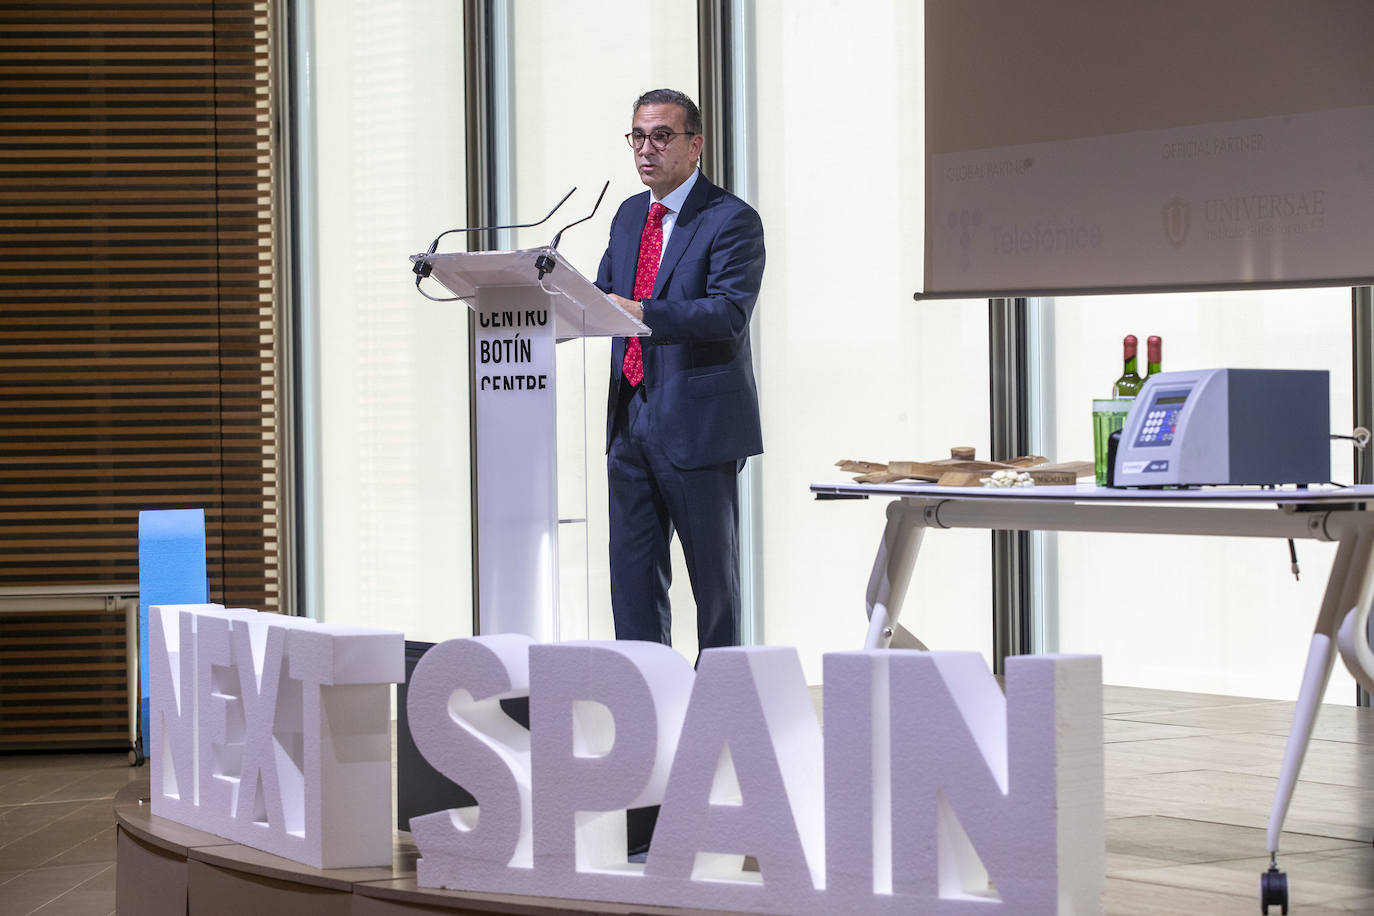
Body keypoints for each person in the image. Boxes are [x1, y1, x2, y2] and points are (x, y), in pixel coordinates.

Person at [595, 88, 766, 655]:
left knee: (713, 585)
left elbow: (727, 312)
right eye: (638, 137)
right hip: (631, 419)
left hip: (698, 425)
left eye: (661, 136)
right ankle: (646, 695)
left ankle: (722, 700)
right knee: (633, 578)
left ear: (695, 145)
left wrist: (644, 312)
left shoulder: (731, 219)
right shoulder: (626, 216)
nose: (647, 149)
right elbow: (603, 295)